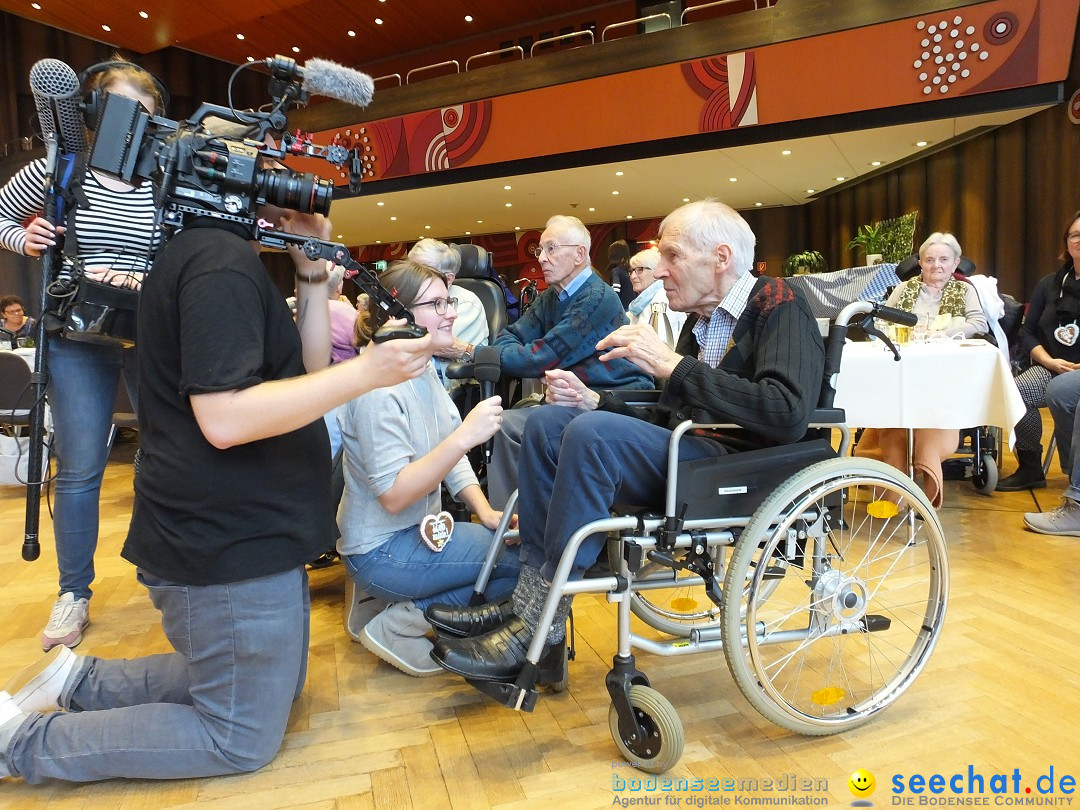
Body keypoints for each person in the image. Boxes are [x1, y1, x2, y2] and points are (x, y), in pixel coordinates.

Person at [0, 148, 435, 782]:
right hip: (226, 540)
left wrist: (311, 275)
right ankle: (23, 741)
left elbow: (309, 372)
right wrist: (368, 372)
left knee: (272, 693)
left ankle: (79, 678)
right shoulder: (217, 263)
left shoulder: (221, 257)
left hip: (250, 529)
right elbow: (225, 419)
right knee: (239, 737)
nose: (290, 192)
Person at [428, 199, 826, 681]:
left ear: (721, 258)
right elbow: (669, 409)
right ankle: (531, 603)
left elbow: (785, 411)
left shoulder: (779, 301)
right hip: (691, 452)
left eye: (672, 256)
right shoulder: (702, 322)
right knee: (545, 423)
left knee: (593, 437)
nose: (659, 271)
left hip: (739, 464)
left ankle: (537, 623)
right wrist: (594, 401)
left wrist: (670, 366)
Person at [0, 60, 167, 651]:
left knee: (167, 454)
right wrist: (27, 236)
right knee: (79, 470)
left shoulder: (162, 176)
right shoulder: (61, 169)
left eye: (146, 116)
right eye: (125, 112)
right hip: (76, 337)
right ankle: (74, 592)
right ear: (95, 115)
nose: (135, 127)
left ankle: (161, 569)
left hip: (149, 332)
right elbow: (1, 216)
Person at [336, 260, 521, 676]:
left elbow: (450, 461)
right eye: (437, 304)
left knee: (507, 548)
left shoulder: (416, 366)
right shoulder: (376, 388)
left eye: (448, 301)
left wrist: (485, 510)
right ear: (397, 314)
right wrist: (464, 438)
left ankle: (380, 605)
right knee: (518, 566)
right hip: (380, 549)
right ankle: (399, 625)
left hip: (408, 537)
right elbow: (396, 494)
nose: (452, 312)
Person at [486, 215, 653, 508]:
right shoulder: (553, 296)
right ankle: (522, 526)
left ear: (579, 254)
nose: (541, 259)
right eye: (540, 250)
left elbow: (540, 358)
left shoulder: (596, 298)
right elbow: (510, 337)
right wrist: (521, 357)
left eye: (551, 249)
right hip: (570, 398)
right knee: (506, 423)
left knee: (507, 425)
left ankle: (522, 528)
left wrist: (479, 354)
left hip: (613, 400)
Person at [855, 232, 988, 508]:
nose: (936, 265)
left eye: (943, 259)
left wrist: (946, 334)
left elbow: (979, 323)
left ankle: (925, 473)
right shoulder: (904, 289)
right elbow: (881, 323)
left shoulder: (965, 290)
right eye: (929, 259)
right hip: (905, 369)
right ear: (920, 262)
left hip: (945, 371)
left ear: (955, 263)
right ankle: (896, 482)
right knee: (893, 420)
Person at [997, 212, 1080, 492]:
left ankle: (1075, 474)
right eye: (1075, 235)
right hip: (1050, 366)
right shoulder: (1049, 284)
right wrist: (1049, 361)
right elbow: (1027, 332)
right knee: (1017, 391)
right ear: (1066, 243)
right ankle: (1030, 467)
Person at [408, 238, 488, 388]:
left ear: (448, 279)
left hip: (449, 386)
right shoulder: (411, 297)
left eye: (421, 271)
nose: (411, 278)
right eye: (411, 270)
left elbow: (437, 344)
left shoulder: (467, 302)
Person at [625, 246, 686, 348]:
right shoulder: (641, 301)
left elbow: (660, 343)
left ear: (656, 271)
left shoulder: (664, 297)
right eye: (631, 271)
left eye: (640, 270)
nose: (633, 276)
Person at [606, 238, 636, 308]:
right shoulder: (629, 270)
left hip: (622, 308)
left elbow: (616, 290)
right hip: (632, 306)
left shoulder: (616, 271)